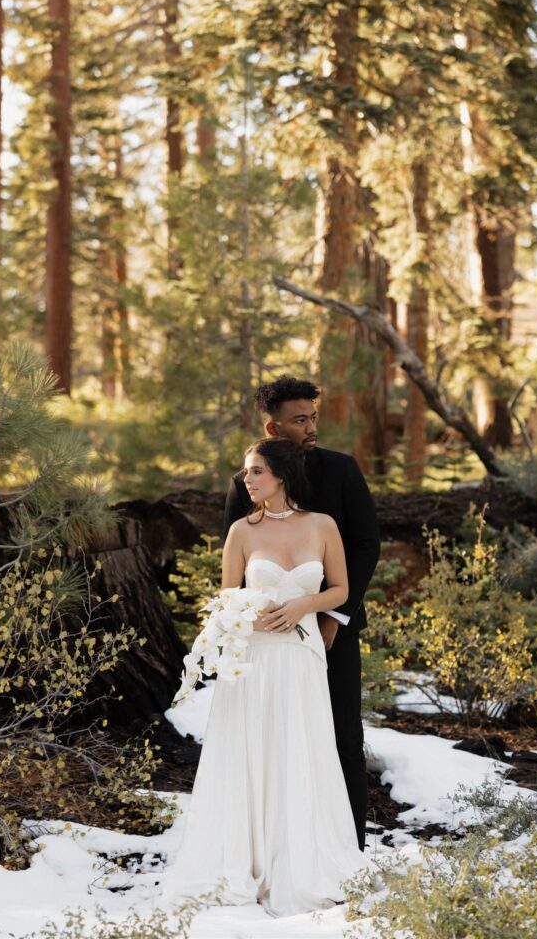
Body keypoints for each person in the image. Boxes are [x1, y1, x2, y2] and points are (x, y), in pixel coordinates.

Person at [169, 438, 367, 917]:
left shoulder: (323, 525)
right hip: (252, 658)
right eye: (245, 472)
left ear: (280, 475)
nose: (246, 480)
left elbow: (340, 587)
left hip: (300, 655)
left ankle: (300, 860)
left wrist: (303, 604)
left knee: (299, 748)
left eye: (255, 471)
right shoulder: (240, 530)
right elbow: (227, 597)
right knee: (251, 750)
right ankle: (246, 859)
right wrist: (244, 617)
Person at [223, 376, 380, 850]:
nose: (311, 427)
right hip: (268, 643)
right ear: (273, 428)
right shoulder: (245, 484)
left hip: (335, 629)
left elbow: (366, 545)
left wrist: (334, 619)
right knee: (270, 742)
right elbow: (237, 564)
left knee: (343, 738)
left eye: (313, 417)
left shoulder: (343, 470)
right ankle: (274, 846)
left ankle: (348, 848)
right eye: (299, 420)